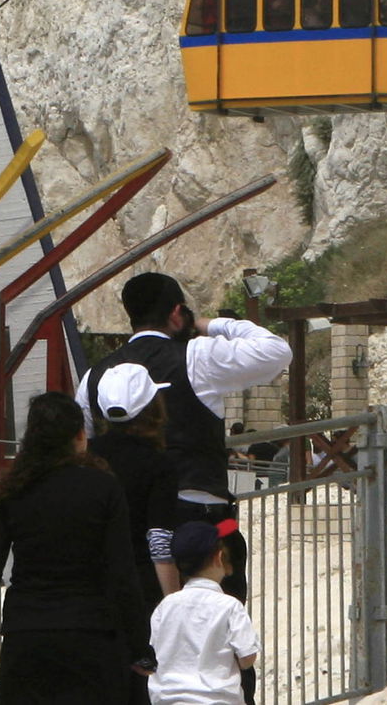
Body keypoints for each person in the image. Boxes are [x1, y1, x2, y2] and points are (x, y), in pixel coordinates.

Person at [77, 272, 289, 704]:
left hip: (127, 528)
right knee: (220, 639)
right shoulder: (196, 355)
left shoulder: (95, 376)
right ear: (177, 313)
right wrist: (214, 324)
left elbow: (83, 446)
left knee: (141, 643)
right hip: (202, 521)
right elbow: (275, 351)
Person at [0, 392, 149, 704]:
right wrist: (140, 645)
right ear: (79, 435)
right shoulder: (104, 488)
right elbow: (123, 572)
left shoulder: (13, 491)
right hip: (91, 632)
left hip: (27, 635)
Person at [88, 363, 181, 704]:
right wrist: (174, 601)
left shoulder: (86, 455)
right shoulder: (159, 464)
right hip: (140, 589)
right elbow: (159, 539)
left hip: (89, 586)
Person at [148, 520, 260, 705]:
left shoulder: (164, 607)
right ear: (219, 557)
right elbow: (247, 658)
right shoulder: (229, 606)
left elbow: (156, 651)